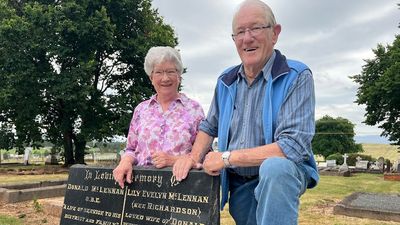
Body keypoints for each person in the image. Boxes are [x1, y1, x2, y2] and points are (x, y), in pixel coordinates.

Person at [173, 1, 319, 224]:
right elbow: (209, 126)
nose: (247, 38)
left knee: (275, 168)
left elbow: (292, 147)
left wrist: (226, 158)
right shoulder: (226, 81)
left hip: (281, 176)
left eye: (256, 28)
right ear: (234, 39)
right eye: (240, 32)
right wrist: (193, 158)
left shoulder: (296, 76)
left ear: (275, 33)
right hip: (239, 182)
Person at [113, 46, 204, 188]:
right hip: (141, 190)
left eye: (170, 71)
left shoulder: (194, 109)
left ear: (179, 75)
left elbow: (203, 155)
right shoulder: (141, 110)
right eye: (159, 72)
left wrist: (173, 160)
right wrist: (125, 161)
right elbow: (131, 149)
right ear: (151, 78)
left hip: (182, 190)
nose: (165, 78)